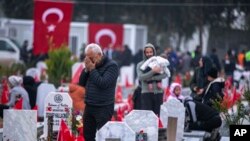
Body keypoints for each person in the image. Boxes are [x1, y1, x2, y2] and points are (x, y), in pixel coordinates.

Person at [78, 43, 119, 141]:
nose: (90, 61)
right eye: (87, 58)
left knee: (103, 136)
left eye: (91, 58)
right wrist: (86, 70)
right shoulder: (91, 66)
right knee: (88, 136)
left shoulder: (112, 66)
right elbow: (81, 84)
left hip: (104, 107)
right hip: (89, 106)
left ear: (99, 55)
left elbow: (103, 83)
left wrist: (92, 69)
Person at [136, 43, 168, 116]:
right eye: (147, 52)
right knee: (147, 117)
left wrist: (153, 78)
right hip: (146, 93)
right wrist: (153, 71)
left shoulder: (159, 62)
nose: (149, 54)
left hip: (158, 92)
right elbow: (141, 77)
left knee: (158, 115)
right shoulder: (140, 64)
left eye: (151, 52)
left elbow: (165, 74)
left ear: (154, 52)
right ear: (144, 53)